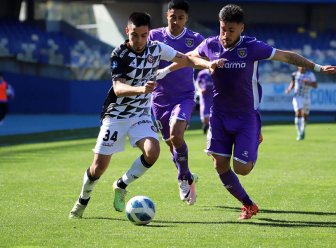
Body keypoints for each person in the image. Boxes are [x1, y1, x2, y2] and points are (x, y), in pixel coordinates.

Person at [187, 4, 336, 220]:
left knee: (242, 169)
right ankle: (248, 204)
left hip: (246, 117)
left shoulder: (252, 47)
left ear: (242, 28)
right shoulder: (210, 45)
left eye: (231, 30)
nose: (225, 35)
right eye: (222, 29)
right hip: (219, 116)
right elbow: (189, 57)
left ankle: (255, 138)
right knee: (219, 164)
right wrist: (206, 64)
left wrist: (317, 68)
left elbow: (287, 57)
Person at [69, 12, 223, 219]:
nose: (139, 40)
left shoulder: (157, 48)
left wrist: (208, 64)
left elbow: (186, 60)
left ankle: (122, 184)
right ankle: (82, 200)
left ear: (148, 33)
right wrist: (142, 89)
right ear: (127, 32)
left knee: (153, 151)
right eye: (135, 35)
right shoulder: (119, 54)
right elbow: (118, 88)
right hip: (116, 114)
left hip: (140, 114)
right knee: (98, 168)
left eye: (143, 35)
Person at [148, 0, 205, 205]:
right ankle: (188, 175)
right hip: (160, 99)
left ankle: (182, 179)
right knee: (172, 146)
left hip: (184, 96)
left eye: (181, 18)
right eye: (173, 17)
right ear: (167, 16)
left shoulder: (195, 38)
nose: (176, 21)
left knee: (176, 134)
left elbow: (202, 60)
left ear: (186, 18)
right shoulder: (154, 36)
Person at [285, 67, 317, 141]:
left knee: (305, 116)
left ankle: (302, 130)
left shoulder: (310, 74)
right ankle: (299, 133)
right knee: (298, 112)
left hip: (306, 97)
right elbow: (293, 83)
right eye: (300, 65)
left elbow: (315, 85)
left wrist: (309, 83)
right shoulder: (294, 74)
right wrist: (289, 89)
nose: (302, 67)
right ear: (298, 66)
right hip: (297, 96)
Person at [195, 69, 213, 134]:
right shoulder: (202, 73)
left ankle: (212, 129)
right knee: (205, 118)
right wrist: (200, 90)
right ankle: (206, 125)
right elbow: (197, 82)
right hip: (204, 98)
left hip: (214, 97)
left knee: (214, 115)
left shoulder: (216, 72)